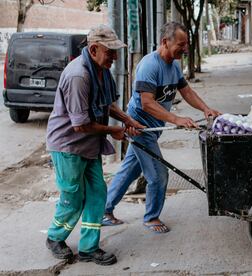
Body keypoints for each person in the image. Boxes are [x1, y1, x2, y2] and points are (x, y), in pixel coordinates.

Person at [103, 22, 220, 233]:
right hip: (140, 127)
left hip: (154, 128)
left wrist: (206, 108)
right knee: (158, 174)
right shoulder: (150, 65)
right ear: (165, 42)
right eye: (181, 45)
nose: (185, 49)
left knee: (130, 168)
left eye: (186, 44)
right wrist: (176, 119)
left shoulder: (174, 65)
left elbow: (186, 91)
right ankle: (151, 217)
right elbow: (147, 103)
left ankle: (105, 210)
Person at [45, 25, 144, 265]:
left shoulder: (101, 70)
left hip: (88, 145)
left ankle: (89, 247)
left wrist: (128, 120)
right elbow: (80, 125)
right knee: (73, 197)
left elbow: (107, 104)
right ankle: (54, 237)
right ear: (93, 49)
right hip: (68, 146)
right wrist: (114, 131)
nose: (115, 57)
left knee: (98, 193)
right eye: (110, 52)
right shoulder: (78, 75)